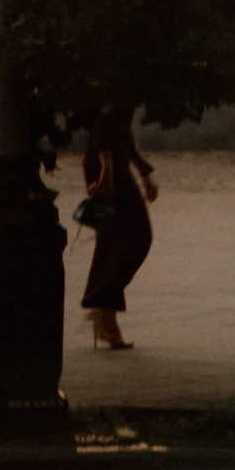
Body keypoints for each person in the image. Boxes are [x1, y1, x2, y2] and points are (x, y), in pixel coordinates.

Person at [77, 104, 158, 350]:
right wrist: (107, 169)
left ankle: (102, 308)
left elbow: (123, 129)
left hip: (114, 160)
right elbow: (104, 121)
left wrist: (143, 172)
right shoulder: (113, 92)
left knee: (116, 239)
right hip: (106, 161)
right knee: (134, 236)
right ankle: (102, 307)